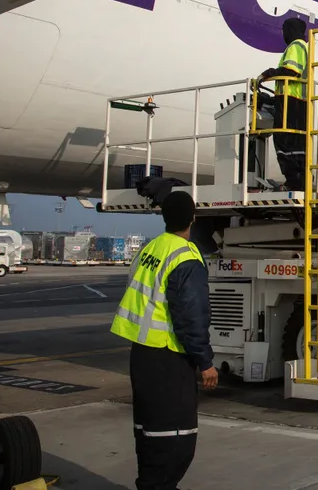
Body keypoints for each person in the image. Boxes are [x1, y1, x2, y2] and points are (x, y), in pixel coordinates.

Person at [110, 191, 216, 490]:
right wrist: (205, 362)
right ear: (193, 218)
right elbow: (191, 316)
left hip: (142, 353)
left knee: (148, 433)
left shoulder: (150, 248)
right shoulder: (186, 255)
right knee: (176, 439)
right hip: (168, 354)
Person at [256, 17, 309, 191]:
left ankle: (295, 180)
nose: (282, 33)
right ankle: (298, 180)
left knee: (285, 141)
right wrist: (270, 99)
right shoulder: (305, 47)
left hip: (291, 102)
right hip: (295, 101)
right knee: (295, 143)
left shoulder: (296, 46)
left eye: (284, 29)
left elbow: (291, 71)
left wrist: (267, 74)